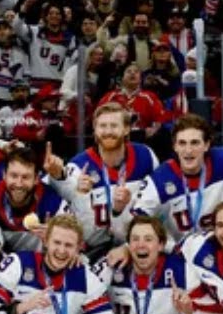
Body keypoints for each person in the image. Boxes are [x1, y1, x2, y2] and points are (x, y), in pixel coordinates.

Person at [42, 104, 159, 254]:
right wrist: (58, 175)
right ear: (95, 130)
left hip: (136, 245)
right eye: (102, 126)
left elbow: (159, 204)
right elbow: (60, 190)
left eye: (114, 126)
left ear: (126, 129)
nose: (108, 131)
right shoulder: (79, 166)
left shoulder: (146, 156)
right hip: (95, 249)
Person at [132, 114, 223, 242]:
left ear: (207, 145)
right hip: (183, 254)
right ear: (174, 146)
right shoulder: (159, 180)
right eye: (182, 143)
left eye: (195, 143)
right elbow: (139, 219)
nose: (188, 150)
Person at [104, 216, 191, 314]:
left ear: (161, 245)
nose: (141, 245)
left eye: (148, 239)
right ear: (128, 244)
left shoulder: (181, 269)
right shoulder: (111, 265)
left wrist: (188, 311)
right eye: (135, 239)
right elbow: (83, 298)